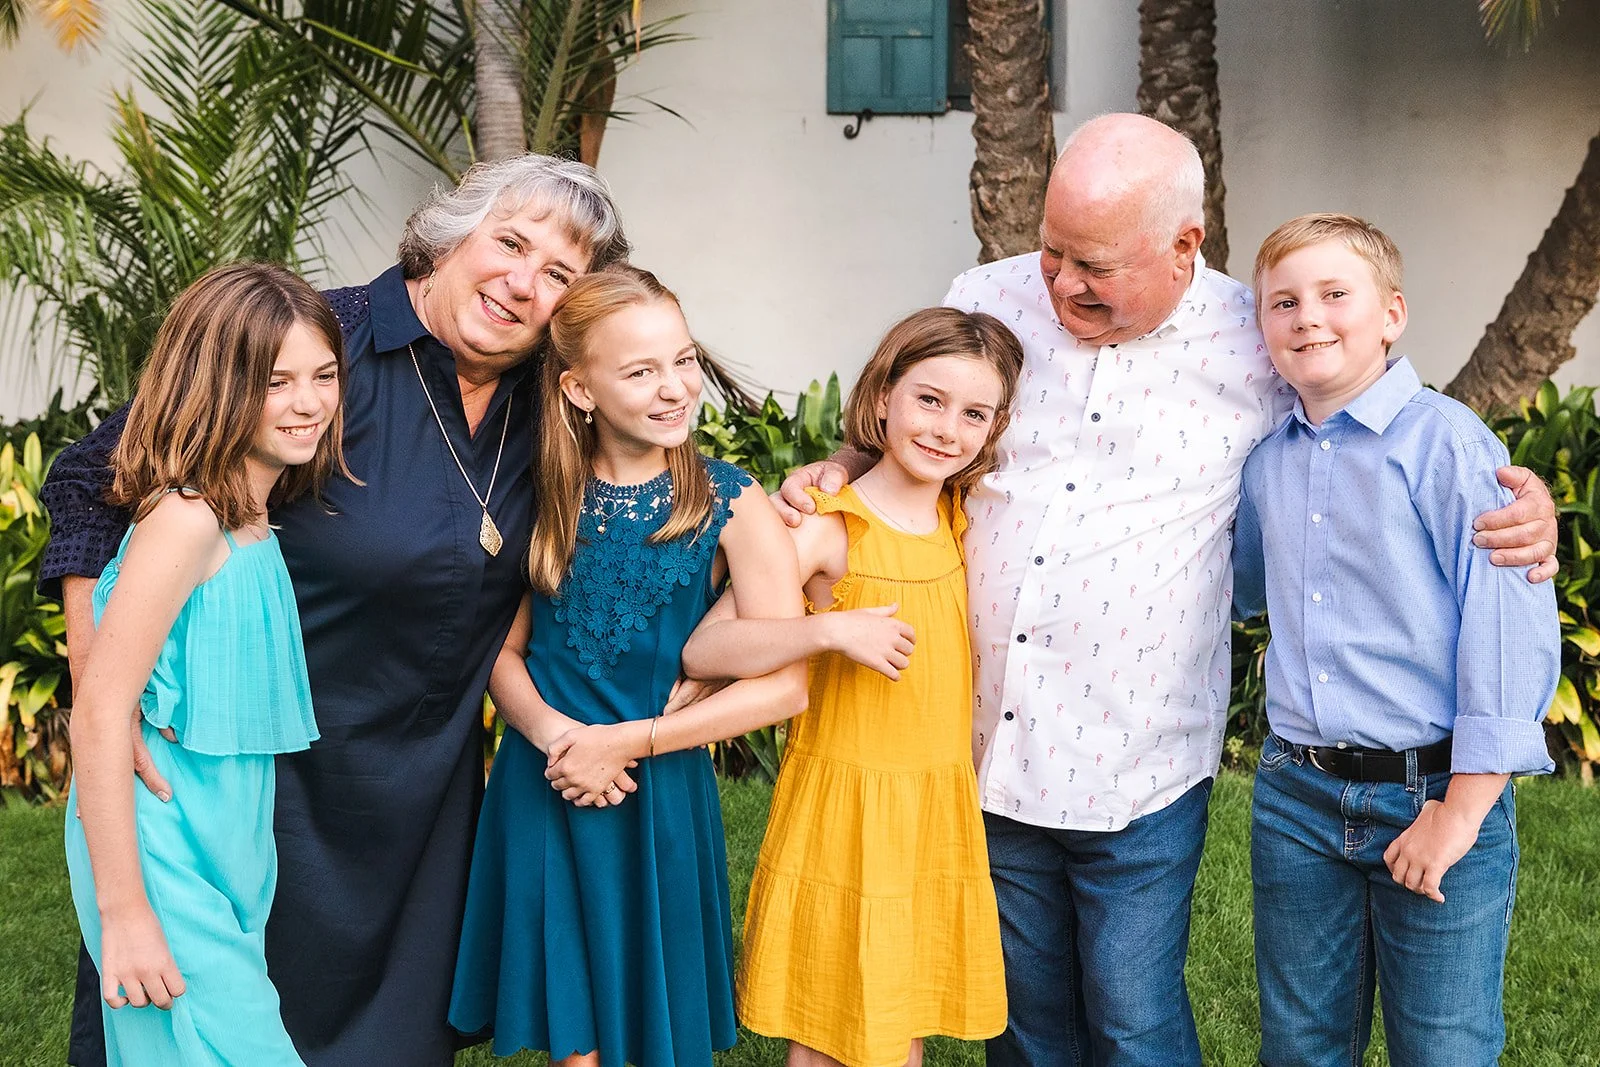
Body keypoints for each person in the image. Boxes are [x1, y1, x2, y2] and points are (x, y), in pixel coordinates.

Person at [777, 113, 1560, 1066]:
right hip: (988, 734)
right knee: (1023, 1021)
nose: (1061, 282)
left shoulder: (1256, 330)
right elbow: (926, 413)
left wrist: (1518, 501)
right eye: (1052, 250)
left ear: (1184, 245)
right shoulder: (990, 295)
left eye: (1095, 266)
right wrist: (840, 461)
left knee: (1133, 1015)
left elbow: (1369, 417)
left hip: (1140, 754)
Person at [40, 154, 631, 1066]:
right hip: (258, 779)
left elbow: (666, 462)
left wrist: (832, 482)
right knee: (200, 1025)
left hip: (418, 802)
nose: (523, 283)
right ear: (449, 237)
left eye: (559, 274)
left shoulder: (554, 404)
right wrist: (97, 669)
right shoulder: (323, 341)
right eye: (509, 243)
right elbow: (96, 470)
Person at [446, 264, 808, 1066]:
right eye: (641, 370)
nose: (675, 385)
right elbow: (503, 653)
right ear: (579, 389)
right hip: (547, 782)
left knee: (655, 1028)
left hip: (658, 791)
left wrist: (630, 741)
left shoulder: (731, 503)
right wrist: (559, 737)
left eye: (683, 359)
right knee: (575, 1040)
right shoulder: (538, 498)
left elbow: (786, 682)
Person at [1232, 213, 1558, 1066]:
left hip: (1437, 787)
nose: (1308, 316)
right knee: (1301, 1041)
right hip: (1297, 799)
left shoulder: (1446, 444)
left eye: (1335, 294)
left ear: (1391, 314)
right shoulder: (1267, 462)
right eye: (1283, 302)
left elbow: (1505, 631)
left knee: (1442, 1045)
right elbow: (1230, 588)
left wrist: (1460, 813)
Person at [687, 307, 1021, 1067]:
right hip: (849, 806)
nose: (946, 428)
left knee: (897, 1018)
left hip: (931, 803)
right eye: (928, 399)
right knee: (832, 1026)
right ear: (881, 400)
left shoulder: (961, 517)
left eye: (973, 413)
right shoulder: (831, 527)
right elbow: (709, 644)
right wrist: (829, 629)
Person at [63, 263, 349, 1065]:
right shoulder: (187, 521)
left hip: (231, 833)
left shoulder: (255, 514)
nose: (307, 402)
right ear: (217, 383)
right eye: (275, 380)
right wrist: (124, 912)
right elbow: (97, 710)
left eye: (322, 375)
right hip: (160, 840)